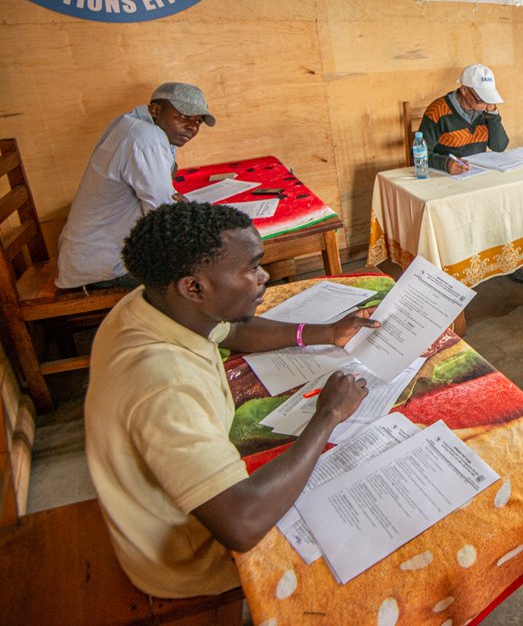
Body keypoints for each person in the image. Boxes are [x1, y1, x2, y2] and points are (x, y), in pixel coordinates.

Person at [85, 202, 379, 598]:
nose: (265, 276)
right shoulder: (164, 385)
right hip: (189, 557)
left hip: (187, 499)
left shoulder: (156, 302)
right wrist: (327, 415)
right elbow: (241, 524)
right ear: (194, 287)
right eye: (251, 268)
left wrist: (325, 333)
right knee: (368, 525)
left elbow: (234, 332)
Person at [56, 83, 215, 289]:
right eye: (183, 117)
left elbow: (164, 194)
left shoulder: (134, 125)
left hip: (87, 258)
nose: (192, 128)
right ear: (155, 110)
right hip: (105, 269)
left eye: (198, 122)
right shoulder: (146, 137)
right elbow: (163, 216)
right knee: (207, 273)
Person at [417, 64, 523, 286]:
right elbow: (420, 154)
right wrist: (446, 163)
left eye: (487, 99)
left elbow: (499, 146)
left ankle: (509, 262)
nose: (484, 104)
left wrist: (493, 115)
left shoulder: (486, 111)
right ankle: (456, 268)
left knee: (505, 206)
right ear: (463, 90)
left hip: (479, 173)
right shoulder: (438, 111)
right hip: (446, 178)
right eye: (480, 99)